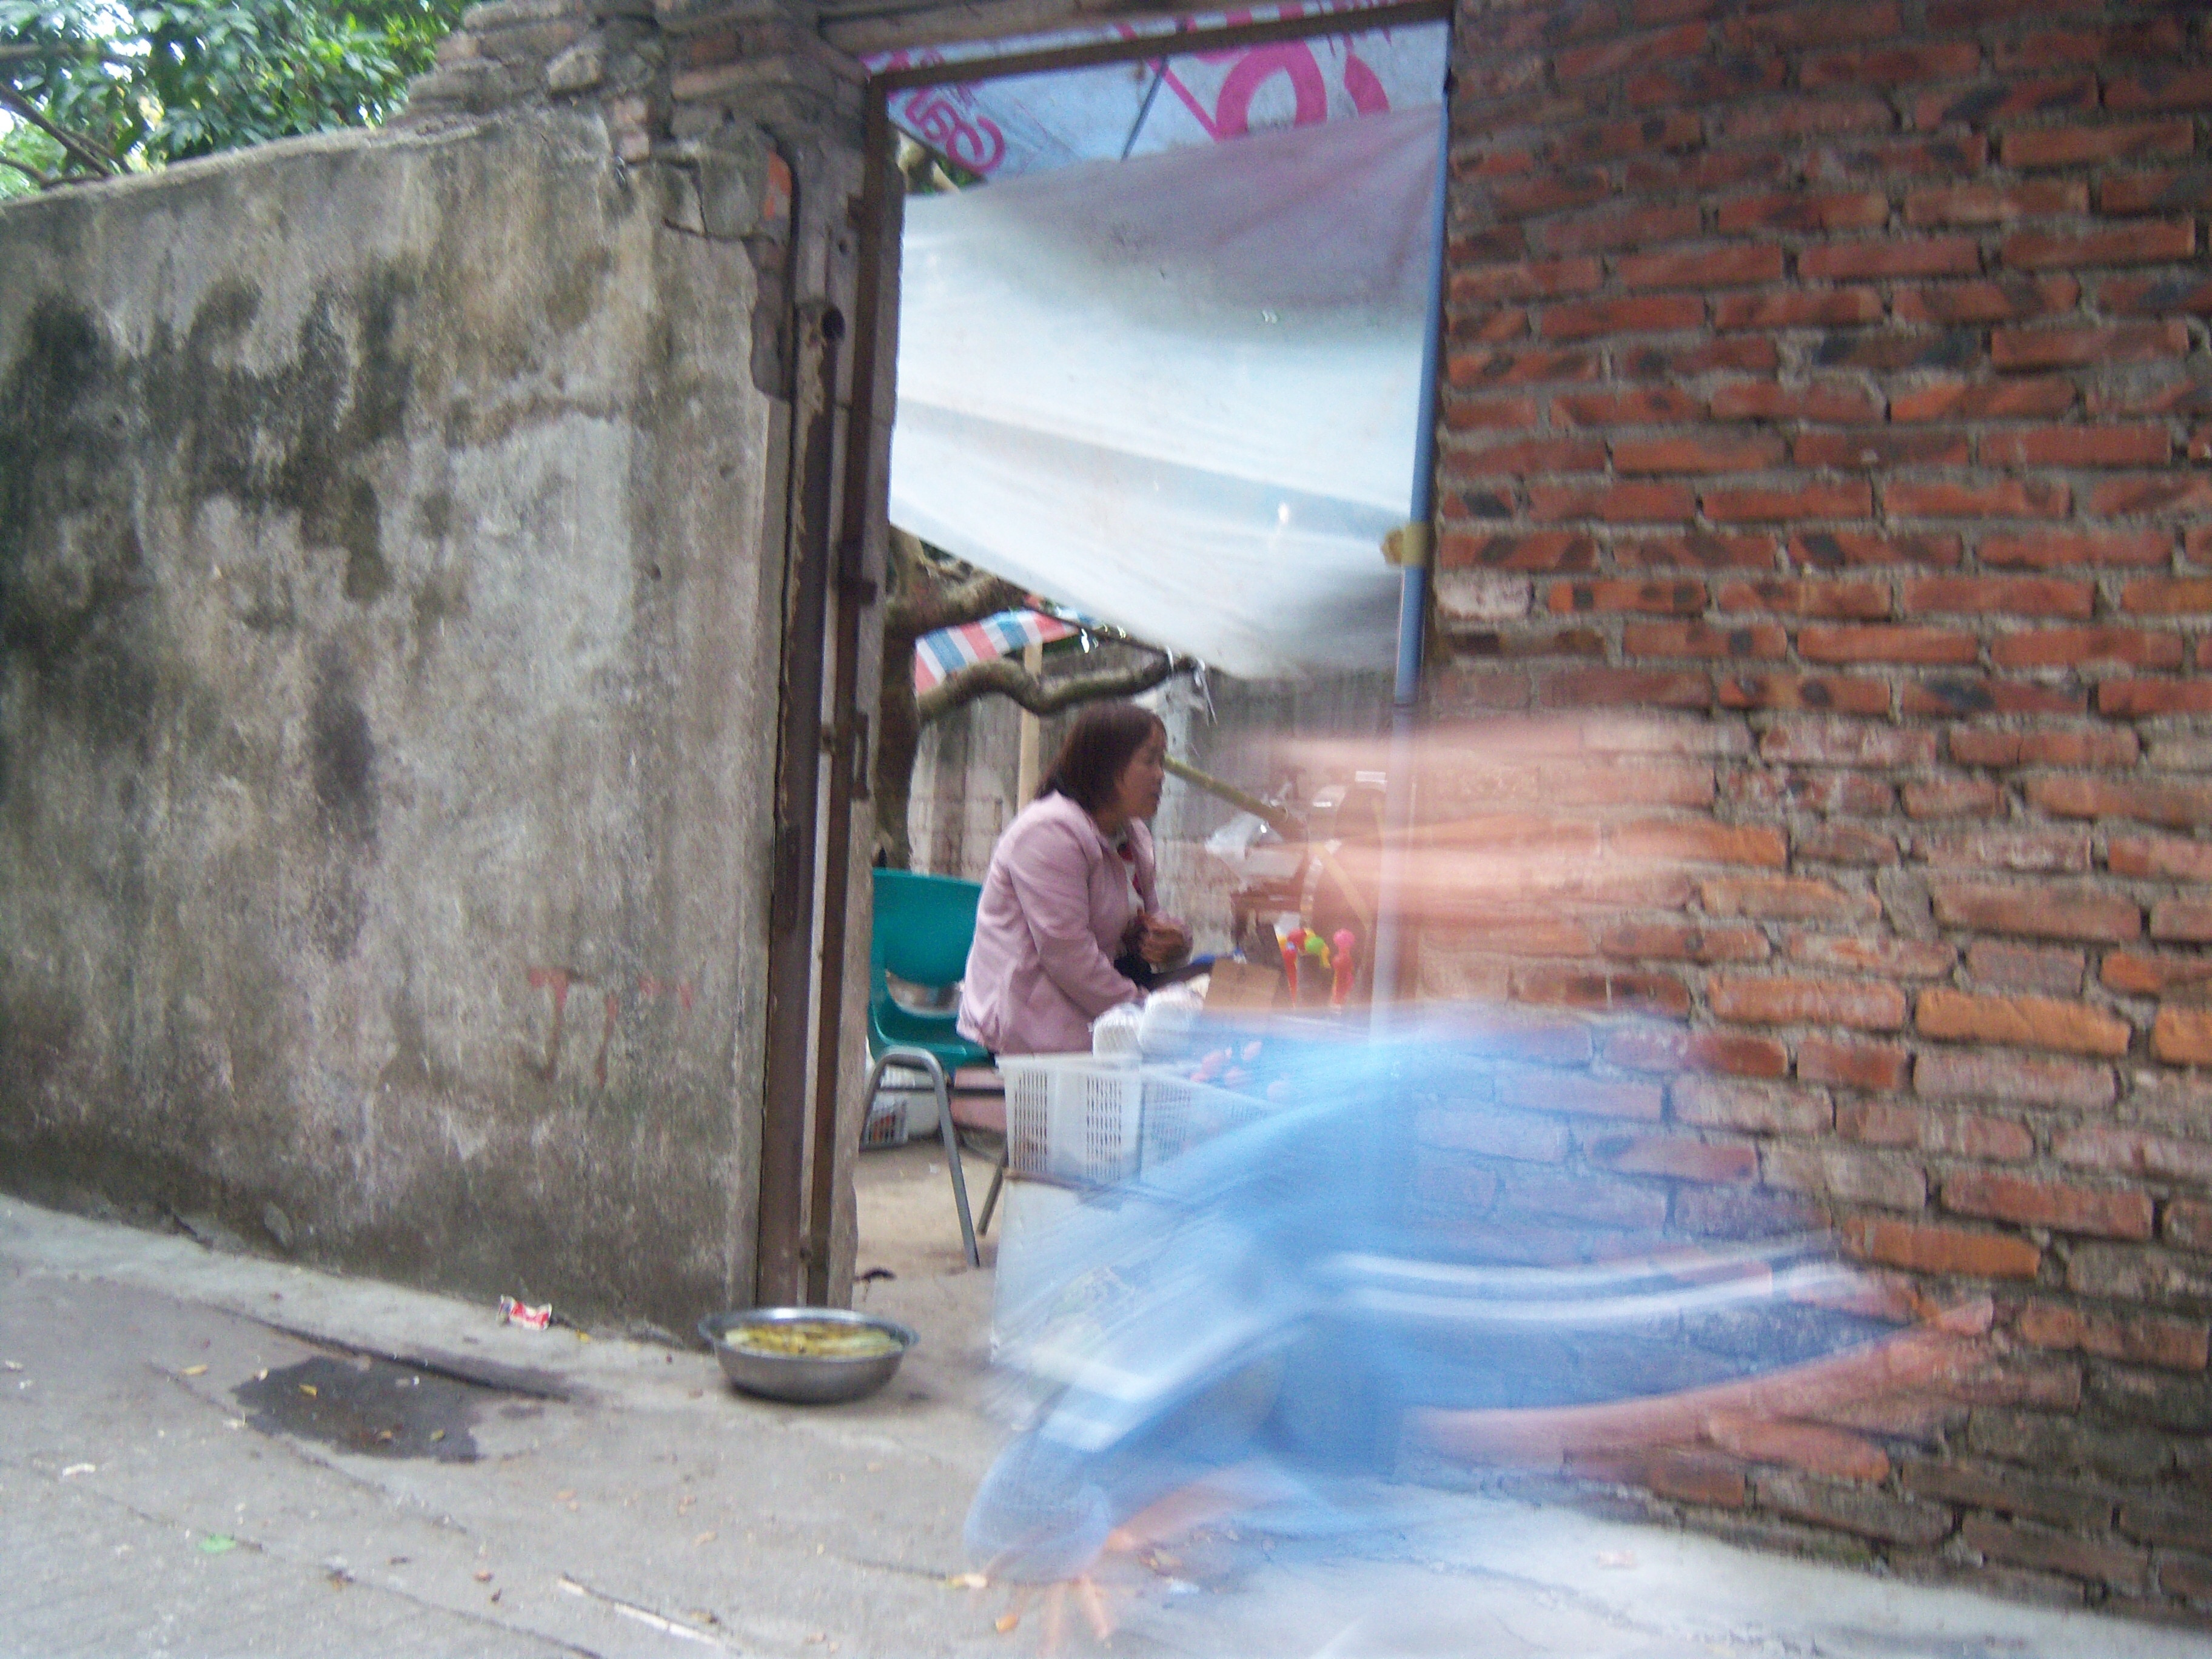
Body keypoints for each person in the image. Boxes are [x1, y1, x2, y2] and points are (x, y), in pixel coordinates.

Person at [959, 703, 1193, 1057]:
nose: (1160, 775)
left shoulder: (1132, 836)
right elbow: (1069, 958)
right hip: (1032, 1031)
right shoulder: (1050, 831)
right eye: (1149, 761)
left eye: (1162, 761)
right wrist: (1143, 1010)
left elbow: (1145, 920)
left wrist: (1171, 941)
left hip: (1099, 1020)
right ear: (1107, 764)